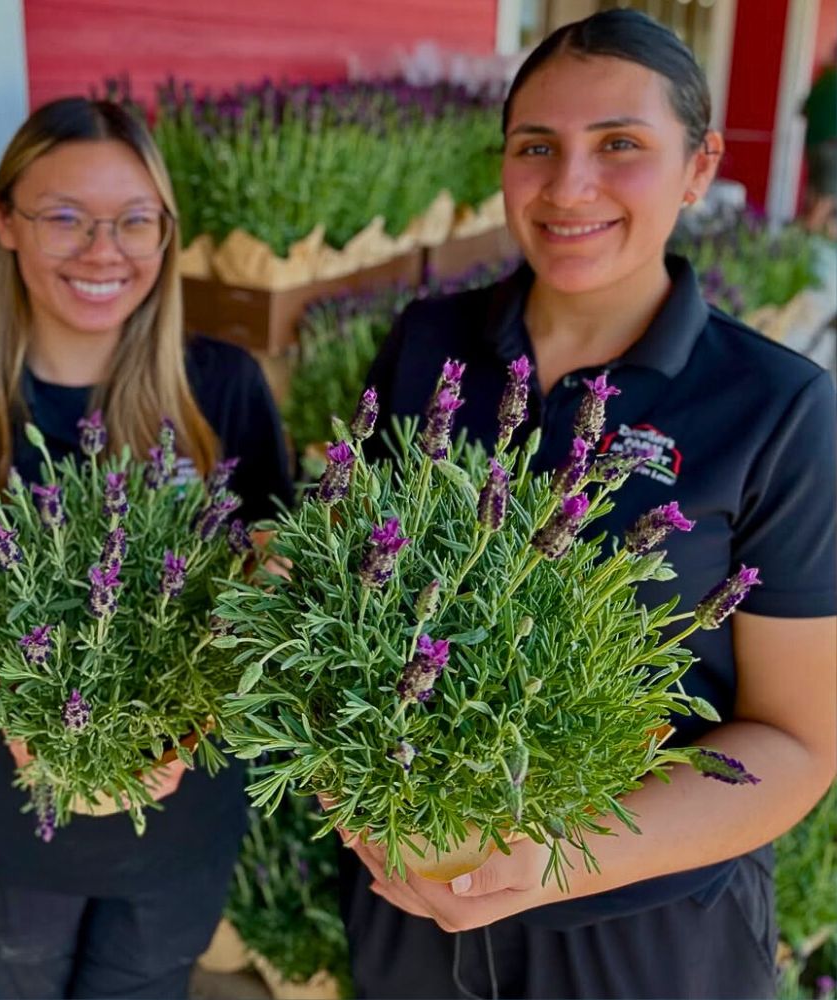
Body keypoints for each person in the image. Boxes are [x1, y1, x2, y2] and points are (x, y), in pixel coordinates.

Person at [339, 11, 836, 999]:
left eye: (620, 146)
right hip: (414, 904)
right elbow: (357, 588)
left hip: (645, 929)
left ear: (698, 168)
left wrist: (553, 852)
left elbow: (796, 743)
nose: (569, 187)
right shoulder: (429, 342)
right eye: (536, 147)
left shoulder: (777, 406)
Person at [0, 97, 293, 999]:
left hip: (186, 812)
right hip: (7, 821)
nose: (106, 250)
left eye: (136, 220)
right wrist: (40, 686)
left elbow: (272, 580)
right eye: (65, 217)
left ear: (167, 234)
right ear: (6, 221)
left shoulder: (225, 390)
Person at [801, 48, 837, 237]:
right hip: (832, 149)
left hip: (814, 146)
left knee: (815, 194)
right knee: (828, 197)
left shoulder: (823, 80)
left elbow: (804, 111)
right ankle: (804, 239)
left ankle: (818, 238)